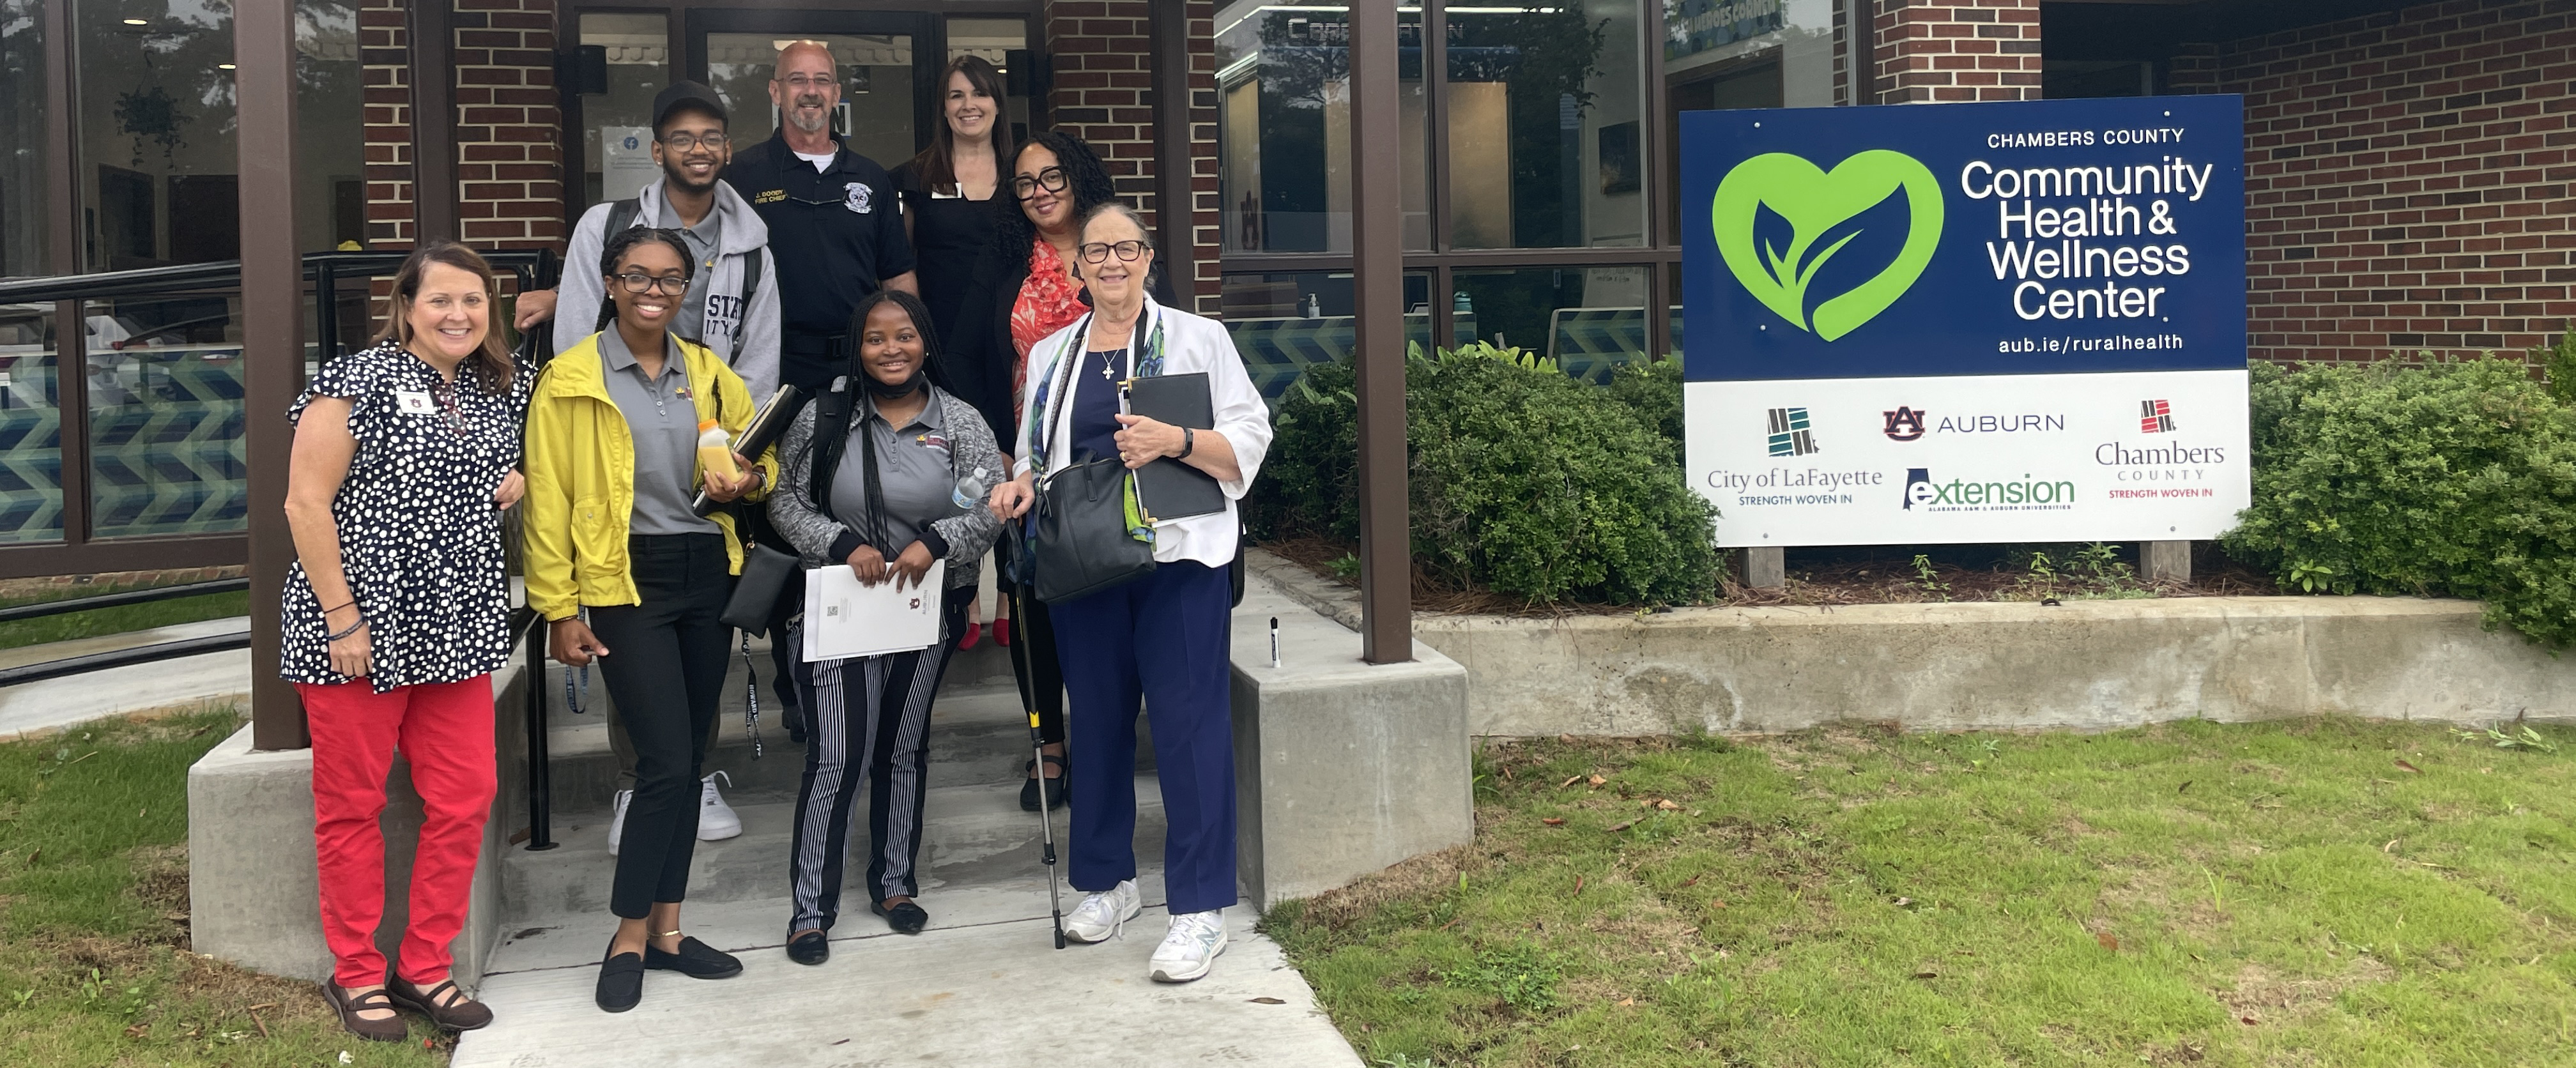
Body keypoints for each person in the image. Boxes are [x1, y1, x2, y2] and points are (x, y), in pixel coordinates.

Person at [988, 204, 1272, 984]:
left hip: (1180, 560)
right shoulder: (1053, 353)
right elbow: (1031, 452)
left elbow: (1251, 435)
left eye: (1127, 248)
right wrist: (1016, 487)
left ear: (1149, 257)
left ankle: (1200, 909)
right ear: (1075, 267)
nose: (1111, 262)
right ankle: (1110, 883)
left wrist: (1174, 440)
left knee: (1189, 728)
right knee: (1101, 724)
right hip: (1086, 562)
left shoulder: (1196, 339)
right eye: (1095, 251)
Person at [522, 227, 777, 1013]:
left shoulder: (706, 371)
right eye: (638, 276)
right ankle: (629, 935)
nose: (654, 290)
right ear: (608, 282)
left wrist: (748, 481)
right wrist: (559, 609)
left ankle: (667, 931)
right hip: (623, 580)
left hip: (708, 572)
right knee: (664, 762)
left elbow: (761, 460)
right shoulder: (570, 379)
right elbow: (547, 501)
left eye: (670, 278)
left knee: (688, 760)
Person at [281, 241, 530, 1040]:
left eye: (473, 301)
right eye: (441, 301)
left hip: (456, 624)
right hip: (361, 626)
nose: (458, 315)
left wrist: (503, 485)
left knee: (466, 795)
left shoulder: (499, 386)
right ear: (407, 306)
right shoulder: (356, 380)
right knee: (352, 804)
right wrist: (342, 616)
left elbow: (470, 479)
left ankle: (425, 962)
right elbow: (305, 504)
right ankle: (355, 972)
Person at [547, 79, 781, 852]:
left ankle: (696, 773)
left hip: (708, 465)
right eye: (681, 137)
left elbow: (758, 358)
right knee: (630, 638)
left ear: (728, 148)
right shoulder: (606, 225)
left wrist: (738, 457)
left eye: (712, 136)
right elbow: (578, 336)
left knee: (698, 646)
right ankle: (635, 782)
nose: (698, 149)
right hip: (618, 447)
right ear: (657, 150)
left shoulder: (751, 245)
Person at [767, 290, 1002, 961]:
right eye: (876, 338)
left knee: (902, 749)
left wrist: (938, 540)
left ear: (925, 340)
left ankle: (894, 883)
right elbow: (784, 500)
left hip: (923, 610)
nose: (891, 349)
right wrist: (840, 543)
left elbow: (991, 498)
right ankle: (811, 909)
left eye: (904, 336)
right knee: (838, 753)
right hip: (838, 608)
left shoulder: (959, 421)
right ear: (857, 347)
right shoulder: (826, 415)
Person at [724, 39, 924, 742]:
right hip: (770, 376)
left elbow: (899, 282)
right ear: (775, 92)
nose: (810, 91)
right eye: (797, 81)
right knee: (780, 522)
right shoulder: (741, 174)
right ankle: (797, 684)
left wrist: (909, 357)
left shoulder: (870, 177)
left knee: (856, 513)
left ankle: (862, 666)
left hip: (857, 373)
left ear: (837, 92)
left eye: (822, 81)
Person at [946, 131, 1130, 811]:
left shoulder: (1115, 245)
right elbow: (962, 354)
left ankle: (1101, 739)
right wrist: (994, 442)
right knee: (1032, 604)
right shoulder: (1004, 262)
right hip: (1030, 465)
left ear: (1078, 175)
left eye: (1051, 176)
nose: (1040, 191)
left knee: (1103, 600)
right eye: (1025, 183)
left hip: (1115, 458)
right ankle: (1047, 744)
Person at [891, 55, 1014, 655]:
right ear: (942, 106)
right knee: (953, 474)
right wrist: (915, 342)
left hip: (1008, 346)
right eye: (956, 94)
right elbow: (899, 263)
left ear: (997, 103)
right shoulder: (913, 176)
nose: (969, 104)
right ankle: (960, 593)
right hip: (941, 346)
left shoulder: (1023, 176)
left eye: (980, 93)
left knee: (1012, 466)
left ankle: (1010, 596)